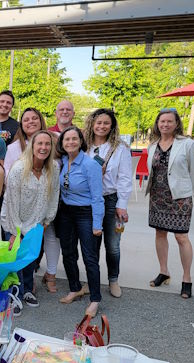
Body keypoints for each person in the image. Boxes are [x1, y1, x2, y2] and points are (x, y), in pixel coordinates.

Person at [146, 109, 194, 299]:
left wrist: (184, 190)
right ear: (157, 124)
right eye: (162, 121)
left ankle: (187, 279)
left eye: (170, 121)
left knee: (181, 238)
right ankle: (164, 271)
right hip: (157, 197)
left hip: (179, 199)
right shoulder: (153, 146)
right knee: (160, 233)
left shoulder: (187, 144)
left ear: (176, 124)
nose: (165, 125)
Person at [2, 130, 59, 314]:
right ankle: (15, 295)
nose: (43, 147)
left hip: (37, 223)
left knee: (30, 259)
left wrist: (47, 219)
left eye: (47, 144)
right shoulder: (19, 169)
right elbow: (10, 202)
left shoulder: (53, 168)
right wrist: (13, 232)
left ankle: (27, 290)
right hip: (15, 222)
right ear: (32, 146)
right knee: (16, 260)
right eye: (39, 144)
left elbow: (54, 195)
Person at [84, 108, 132, 298]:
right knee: (91, 245)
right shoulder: (84, 146)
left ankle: (113, 279)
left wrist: (122, 204)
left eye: (106, 123)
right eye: (99, 122)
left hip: (111, 200)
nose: (102, 126)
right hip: (89, 201)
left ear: (112, 126)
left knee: (112, 245)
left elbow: (125, 178)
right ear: (92, 124)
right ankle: (92, 280)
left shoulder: (120, 148)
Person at [56, 127, 104, 318]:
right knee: (68, 253)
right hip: (66, 212)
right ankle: (75, 288)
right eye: (66, 139)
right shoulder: (64, 161)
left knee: (89, 257)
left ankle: (95, 298)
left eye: (74, 139)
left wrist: (97, 224)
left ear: (81, 141)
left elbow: (97, 197)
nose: (70, 142)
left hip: (86, 213)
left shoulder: (90, 165)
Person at [4, 108, 48, 178]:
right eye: (26, 120)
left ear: (41, 121)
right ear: (21, 125)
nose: (31, 121)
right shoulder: (13, 148)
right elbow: (7, 174)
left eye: (34, 118)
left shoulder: (53, 141)